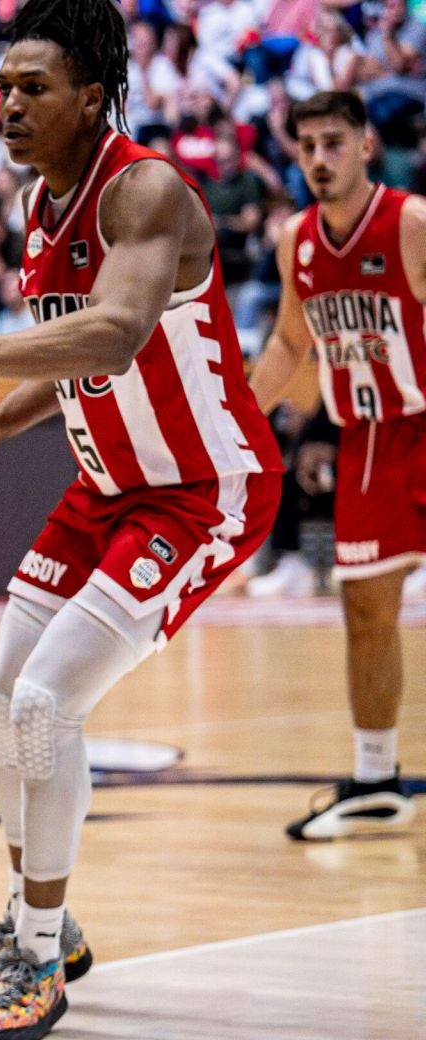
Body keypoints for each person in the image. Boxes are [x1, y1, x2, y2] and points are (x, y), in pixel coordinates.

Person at [0, 0, 281, 1040]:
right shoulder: (39, 205)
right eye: (4, 87)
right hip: (106, 486)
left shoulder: (145, 190)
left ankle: (37, 945)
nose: (9, 105)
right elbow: (65, 350)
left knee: (49, 701)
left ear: (94, 97)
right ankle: (35, 929)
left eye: (35, 89)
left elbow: (111, 334)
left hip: (201, 489)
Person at [248, 90, 423, 841]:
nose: (320, 158)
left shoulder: (411, 223)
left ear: (365, 146)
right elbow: (290, 344)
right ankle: (378, 778)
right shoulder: (297, 239)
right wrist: (236, 423)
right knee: (366, 612)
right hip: (368, 440)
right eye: (308, 145)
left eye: (333, 143)